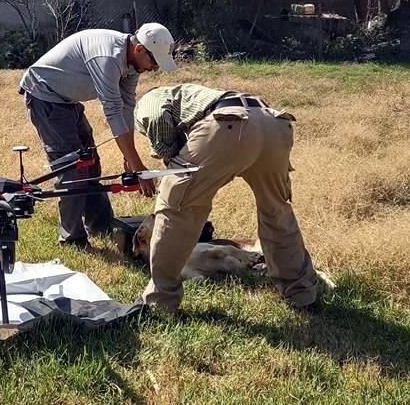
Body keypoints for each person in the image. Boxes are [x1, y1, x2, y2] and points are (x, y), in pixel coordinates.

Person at [133, 83, 320, 310]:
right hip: (274, 124)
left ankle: (159, 302)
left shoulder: (148, 99)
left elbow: (157, 122)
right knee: (276, 211)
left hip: (229, 125)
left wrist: (172, 164)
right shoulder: (190, 95)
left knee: (175, 206)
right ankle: (302, 293)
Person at [19, 23, 177, 248]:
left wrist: (128, 156)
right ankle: (71, 239)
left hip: (68, 101)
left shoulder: (133, 65)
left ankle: (100, 226)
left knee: (90, 164)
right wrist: (138, 166)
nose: (153, 69)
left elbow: (126, 106)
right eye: (154, 62)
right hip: (45, 96)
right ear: (140, 50)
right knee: (72, 167)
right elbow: (112, 110)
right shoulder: (108, 58)